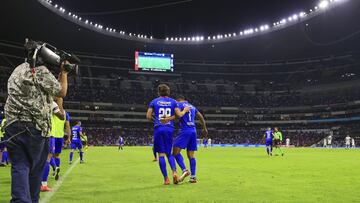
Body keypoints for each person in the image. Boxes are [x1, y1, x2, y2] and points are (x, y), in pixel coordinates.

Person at [4, 58, 69, 202]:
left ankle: (20, 200)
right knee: (35, 170)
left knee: (20, 165)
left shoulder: (18, 70)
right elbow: (61, 92)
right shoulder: (41, 72)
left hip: (13, 125)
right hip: (35, 128)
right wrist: (63, 72)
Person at [146, 84, 189, 185]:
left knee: (161, 154)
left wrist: (157, 121)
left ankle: (166, 179)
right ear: (168, 92)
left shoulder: (154, 101)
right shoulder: (173, 102)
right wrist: (185, 110)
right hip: (169, 129)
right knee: (169, 153)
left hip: (158, 128)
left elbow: (148, 116)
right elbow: (179, 115)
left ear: (158, 92)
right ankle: (174, 172)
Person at [163, 95, 208, 183]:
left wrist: (167, 118)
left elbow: (177, 115)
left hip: (185, 130)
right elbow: (201, 117)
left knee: (175, 152)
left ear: (178, 100)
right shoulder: (192, 106)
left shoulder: (179, 104)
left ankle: (184, 170)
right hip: (193, 131)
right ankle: (193, 177)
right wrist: (204, 128)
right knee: (191, 155)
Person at [40, 100, 67, 192]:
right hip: (49, 133)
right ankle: (44, 184)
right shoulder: (52, 103)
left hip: (35, 133)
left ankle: (33, 182)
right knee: (48, 157)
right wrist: (59, 103)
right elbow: (62, 117)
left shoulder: (35, 100)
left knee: (37, 158)